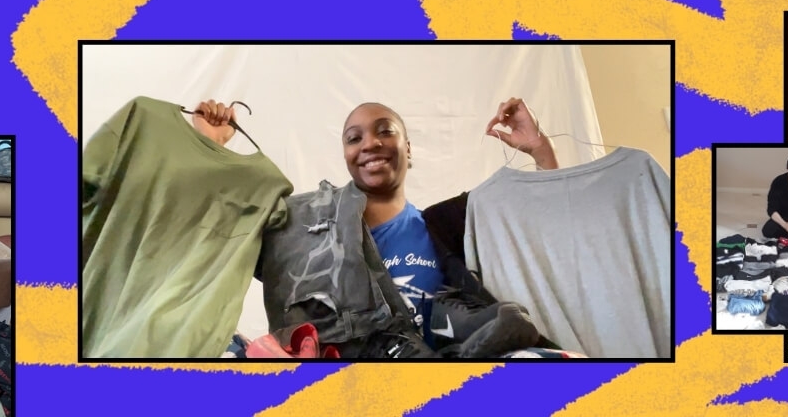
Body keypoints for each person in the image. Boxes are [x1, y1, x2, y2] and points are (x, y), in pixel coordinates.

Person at [195, 98, 553, 358]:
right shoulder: (299, 222)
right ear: (347, 155)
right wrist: (209, 146)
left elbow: (540, 227)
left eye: (385, 131)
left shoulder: (448, 225)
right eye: (354, 138)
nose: (370, 143)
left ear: (408, 149)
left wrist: (540, 152)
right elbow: (214, 237)